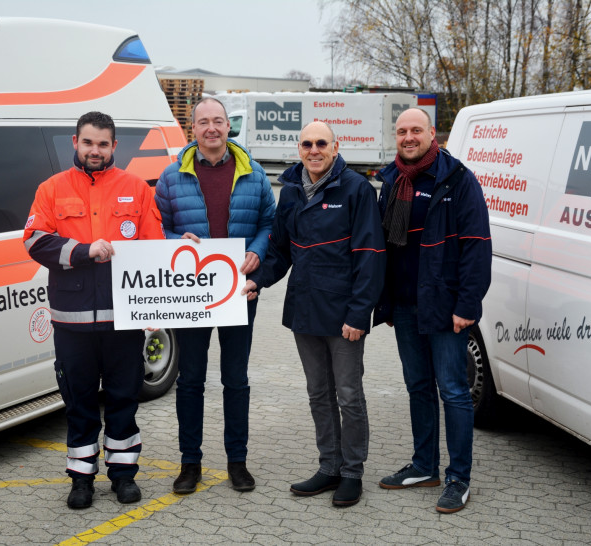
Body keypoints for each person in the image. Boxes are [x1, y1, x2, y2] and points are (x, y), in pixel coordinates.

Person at [23, 111, 164, 509]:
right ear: (75, 143)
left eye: (103, 144)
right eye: (88, 143)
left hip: (124, 321)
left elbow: (153, 247)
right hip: (72, 325)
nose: (95, 151)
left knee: (123, 399)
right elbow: (35, 241)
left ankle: (123, 477)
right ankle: (81, 479)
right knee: (80, 402)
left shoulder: (136, 188)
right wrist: (85, 251)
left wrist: (180, 254)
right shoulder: (51, 189)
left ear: (114, 147)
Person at [243, 121, 386, 507]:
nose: (314, 149)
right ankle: (329, 467)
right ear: (299, 149)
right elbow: (279, 250)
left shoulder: (356, 189)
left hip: (344, 316)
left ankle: (352, 472)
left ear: (336, 148)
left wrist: (359, 315)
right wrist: (258, 281)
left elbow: (371, 256)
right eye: (307, 143)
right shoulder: (290, 190)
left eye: (322, 143)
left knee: (350, 395)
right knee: (318, 394)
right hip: (305, 310)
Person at [155, 98, 276, 494]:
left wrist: (257, 249)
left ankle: (237, 462)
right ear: (193, 129)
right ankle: (190, 464)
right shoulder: (172, 177)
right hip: (190, 295)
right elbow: (157, 228)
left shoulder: (253, 173)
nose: (211, 128)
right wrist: (176, 240)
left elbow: (269, 223)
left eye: (218, 121)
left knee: (235, 380)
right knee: (190, 381)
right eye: (203, 122)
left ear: (229, 127)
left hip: (238, 291)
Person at [374, 108, 491, 513]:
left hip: (445, 306)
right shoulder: (391, 180)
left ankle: (459, 478)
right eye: (402, 131)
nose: (409, 137)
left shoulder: (457, 179)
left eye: (416, 130)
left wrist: (468, 304)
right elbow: (388, 247)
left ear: (431, 134)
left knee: (454, 391)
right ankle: (425, 465)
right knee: (418, 387)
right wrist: (386, 301)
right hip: (406, 305)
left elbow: (477, 244)